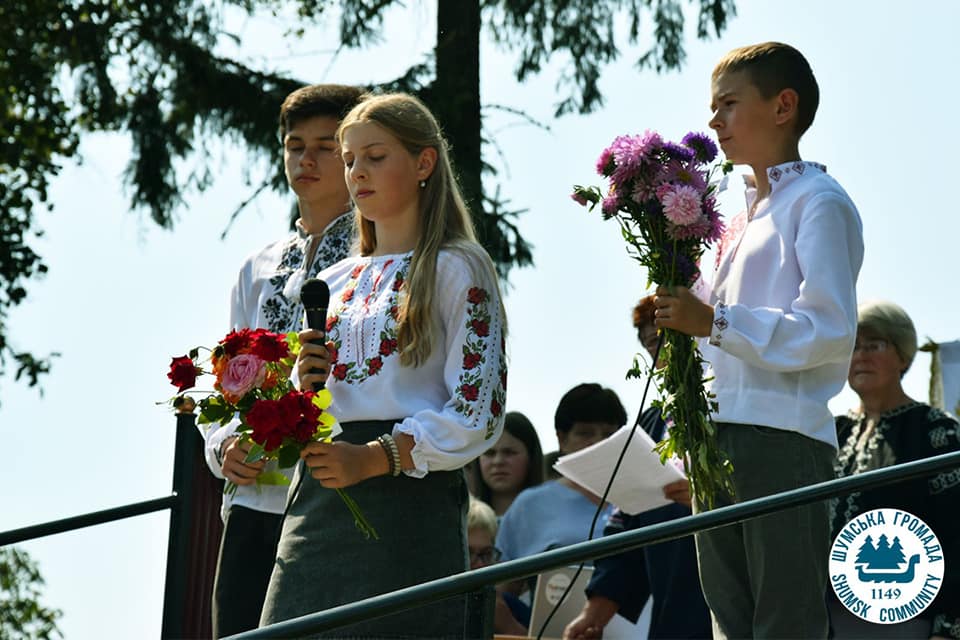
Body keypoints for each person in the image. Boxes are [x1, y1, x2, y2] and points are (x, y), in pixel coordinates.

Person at [258, 92, 507, 639]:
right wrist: (306, 390)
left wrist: (375, 457)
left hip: (408, 496)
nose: (355, 173)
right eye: (348, 161)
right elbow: (326, 405)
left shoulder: (458, 265)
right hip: (319, 496)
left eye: (374, 156)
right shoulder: (336, 279)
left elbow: (478, 410)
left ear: (423, 163)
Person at [652, 42, 864, 638]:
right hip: (712, 437)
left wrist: (714, 322)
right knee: (731, 623)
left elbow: (826, 331)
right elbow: (706, 326)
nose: (713, 121)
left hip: (781, 437)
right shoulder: (735, 216)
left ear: (783, 106)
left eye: (727, 104)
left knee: (783, 624)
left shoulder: (819, 203)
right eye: (711, 108)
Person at [199, 83, 364, 638]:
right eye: (296, 145)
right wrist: (223, 447)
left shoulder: (378, 259)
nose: (307, 159)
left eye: (325, 145)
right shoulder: (258, 266)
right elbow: (232, 385)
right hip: (255, 496)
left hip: (337, 490)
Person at [564, 296, 711, 640]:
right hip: (674, 619)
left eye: (666, 338)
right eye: (651, 345)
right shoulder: (652, 424)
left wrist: (710, 495)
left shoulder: (739, 410)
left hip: (740, 612)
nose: (660, 355)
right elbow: (626, 528)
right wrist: (594, 612)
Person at [829, 301, 959, 639]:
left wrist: (948, 627)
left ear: (903, 355)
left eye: (875, 345)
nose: (861, 355)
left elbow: (956, 532)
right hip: (823, 619)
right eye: (854, 346)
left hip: (904, 620)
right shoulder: (830, 432)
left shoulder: (936, 432)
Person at [495, 383, 625, 628]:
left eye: (609, 434)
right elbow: (502, 596)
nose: (598, 443)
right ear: (562, 438)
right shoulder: (530, 506)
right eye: (586, 433)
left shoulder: (643, 499)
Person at [467, 497, 528, 636]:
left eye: (486, 554)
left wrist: (509, 626)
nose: (480, 564)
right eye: (468, 553)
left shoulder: (510, 607)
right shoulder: (425, 605)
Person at [471, 411, 544, 516]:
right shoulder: (463, 520)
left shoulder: (551, 518)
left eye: (509, 453)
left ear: (531, 457)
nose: (498, 461)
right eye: (489, 453)